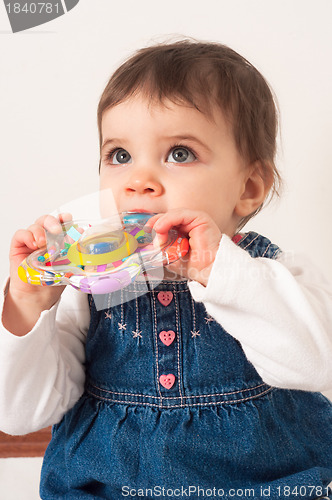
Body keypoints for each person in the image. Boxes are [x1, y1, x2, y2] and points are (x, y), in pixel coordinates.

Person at [1, 39, 332, 499]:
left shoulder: (273, 273)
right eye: (120, 156)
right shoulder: (91, 287)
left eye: (179, 153)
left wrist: (222, 271)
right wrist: (27, 307)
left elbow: (315, 364)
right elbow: (20, 415)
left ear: (249, 188)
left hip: (262, 484)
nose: (139, 181)